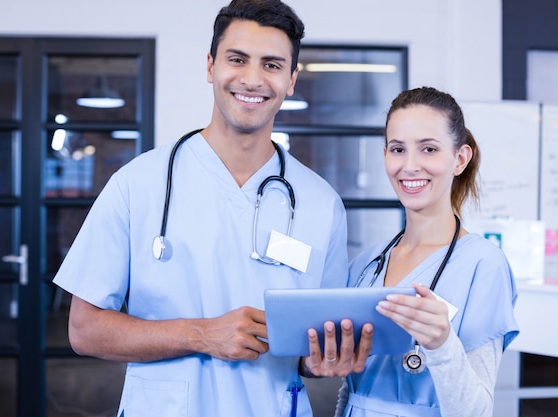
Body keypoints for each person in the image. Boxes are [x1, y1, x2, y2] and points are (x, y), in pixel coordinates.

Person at [52, 1, 352, 415]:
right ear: (210, 66)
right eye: (237, 59)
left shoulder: (321, 204)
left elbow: (316, 343)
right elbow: (84, 330)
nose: (252, 78)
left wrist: (321, 361)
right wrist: (201, 334)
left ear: (291, 79)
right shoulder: (137, 184)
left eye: (271, 64)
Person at [300, 86, 519, 417]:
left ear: (460, 158)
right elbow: (351, 390)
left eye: (429, 149)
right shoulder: (367, 264)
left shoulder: (483, 265)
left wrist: (441, 344)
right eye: (398, 149)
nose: (410, 165)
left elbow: (476, 411)